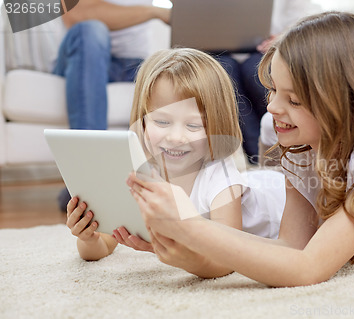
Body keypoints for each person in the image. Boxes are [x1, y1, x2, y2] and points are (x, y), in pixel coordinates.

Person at [127, 11, 354, 287]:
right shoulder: (288, 135)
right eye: (273, 90)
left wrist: (192, 230)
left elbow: (308, 267)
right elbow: (292, 245)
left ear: (342, 103)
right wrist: (188, 247)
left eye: (294, 99)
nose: (272, 108)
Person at [66, 48, 285, 278]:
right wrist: (88, 237)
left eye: (193, 126)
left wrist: (188, 262)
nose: (176, 138)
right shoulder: (139, 172)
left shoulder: (221, 177)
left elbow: (227, 261)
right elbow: (104, 243)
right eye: (161, 121)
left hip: (279, 196)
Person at [55, 0, 171, 211]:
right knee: (91, 30)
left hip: (133, 63)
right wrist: (154, 11)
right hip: (82, 56)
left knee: (170, 68)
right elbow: (77, 13)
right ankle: (86, 178)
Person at [214, 0, 321, 162]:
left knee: (254, 71)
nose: (272, 106)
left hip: (266, 48)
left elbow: (312, 17)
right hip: (221, 51)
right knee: (224, 73)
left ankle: (275, 153)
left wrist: (285, 37)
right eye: (274, 91)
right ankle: (258, 157)